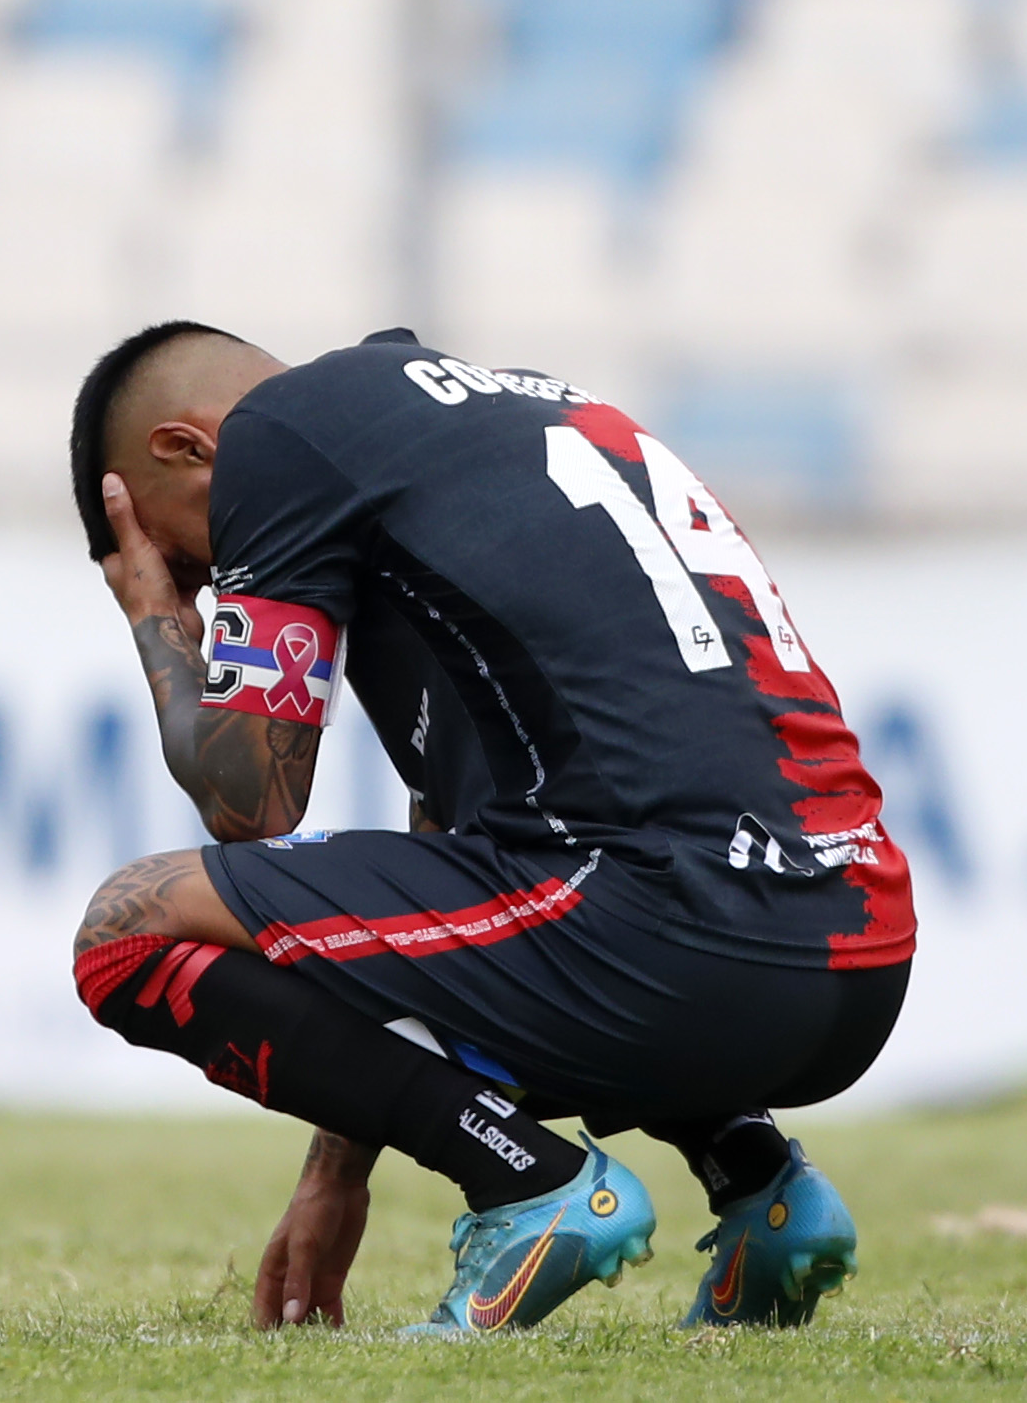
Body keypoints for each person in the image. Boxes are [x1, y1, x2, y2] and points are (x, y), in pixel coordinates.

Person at [64, 323, 912, 1337]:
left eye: (193, 555)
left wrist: (157, 620)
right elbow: (450, 870)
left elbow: (252, 803)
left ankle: (534, 1187)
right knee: (527, 890)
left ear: (185, 447)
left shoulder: (275, 436)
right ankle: (760, 1184)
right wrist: (337, 1167)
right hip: (855, 950)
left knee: (124, 928)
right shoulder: (483, 421)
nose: (216, 580)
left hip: (677, 937)